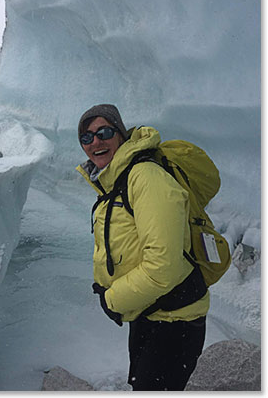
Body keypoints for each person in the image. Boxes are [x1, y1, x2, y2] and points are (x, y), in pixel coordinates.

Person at [76, 104, 208, 391]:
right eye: (86, 138)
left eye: (104, 132)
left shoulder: (146, 177)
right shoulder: (117, 180)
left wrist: (113, 300)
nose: (95, 142)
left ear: (121, 134)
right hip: (148, 310)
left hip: (175, 319)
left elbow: (164, 266)